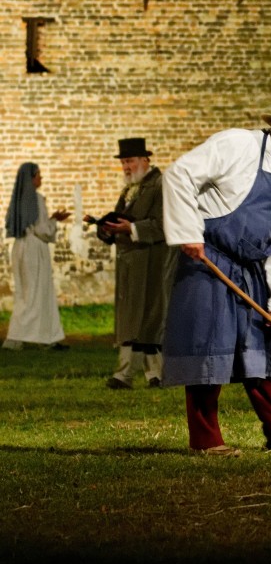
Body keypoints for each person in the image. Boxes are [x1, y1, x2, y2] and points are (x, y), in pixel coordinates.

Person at [161, 108, 271, 456]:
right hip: (209, 263)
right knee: (208, 353)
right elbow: (179, 174)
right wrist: (187, 232)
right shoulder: (237, 144)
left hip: (251, 271)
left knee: (262, 354)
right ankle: (206, 441)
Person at [95, 139, 176, 389]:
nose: (126, 167)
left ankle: (148, 374)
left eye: (129, 161)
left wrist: (132, 227)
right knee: (132, 316)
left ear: (145, 160)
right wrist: (107, 229)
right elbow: (122, 218)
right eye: (123, 162)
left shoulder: (159, 186)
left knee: (150, 316)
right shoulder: (130, 189)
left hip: (152, 260)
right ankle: (138, 374)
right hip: (131, 262)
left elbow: (165, 223)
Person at [3, 163, 69, 351]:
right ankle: (32, 337)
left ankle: (39, 336)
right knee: (37, 292)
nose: (41, 179)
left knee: (25, 293)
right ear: (31, 178)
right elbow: (42, 230)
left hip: (20, 247)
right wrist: (55, 220)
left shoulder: (18, 199)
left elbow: (28, 225)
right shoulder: (36, 199)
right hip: (34, 249)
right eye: (38, 175)